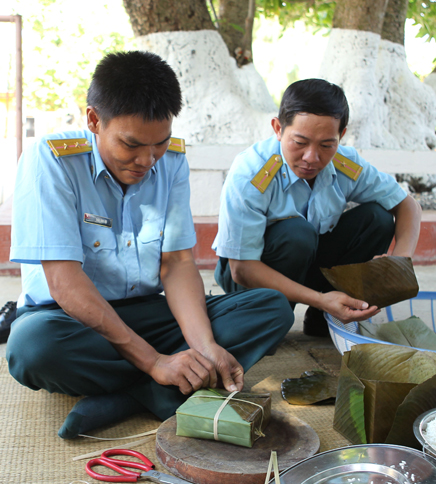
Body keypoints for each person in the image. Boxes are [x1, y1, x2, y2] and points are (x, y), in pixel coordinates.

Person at [7, 51, 294, 439]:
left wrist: (204, 344)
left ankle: (125, 397)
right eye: (131, 145)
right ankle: (158, 386)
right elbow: (64, 282)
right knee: (31, 348)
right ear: (93, 120)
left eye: (158, 144)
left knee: (271, 308)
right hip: (70, 320)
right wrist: (155, 361)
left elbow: (176, 264)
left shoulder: (170, 160)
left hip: (148, 313)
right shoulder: (52, 160)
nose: (146, 160)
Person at [213, 78, 422, 336]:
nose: (312, 157)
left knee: (377, 219)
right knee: (297, 234)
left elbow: (406, 205)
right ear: (278, 129)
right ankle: (272, 315)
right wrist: (320, 298)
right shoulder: (252, 173)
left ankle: (326, 319)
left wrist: (399, 260)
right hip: (247, 274)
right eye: (299, 142)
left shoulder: (346, 164)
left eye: (326, 145)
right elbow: (241, 268)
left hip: (306, 263)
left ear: (341, 135)